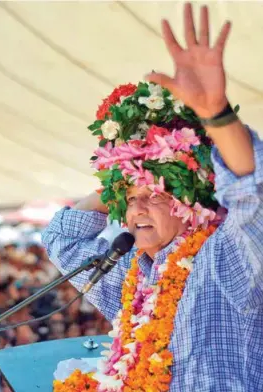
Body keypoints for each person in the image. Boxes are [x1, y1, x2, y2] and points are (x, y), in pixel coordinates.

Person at [42, 3, 263, 391]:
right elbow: (62, 239)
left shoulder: (221, 258)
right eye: (129, 199)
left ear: (190, 202)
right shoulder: (132, 273)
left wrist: (216, 114)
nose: (137, 209)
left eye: (155, 196)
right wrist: (121, 174)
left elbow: (251, 192)